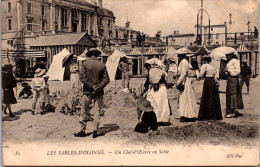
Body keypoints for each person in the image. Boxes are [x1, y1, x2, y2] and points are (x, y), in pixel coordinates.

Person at [75, 48, 110, 138]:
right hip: (99, 92)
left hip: (87, 91)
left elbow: (82, 77)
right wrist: (98, 86)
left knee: (83, 111)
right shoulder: (102, 65)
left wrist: (91, 86)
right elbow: (106, 79)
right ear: (97, 55)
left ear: (89, 55)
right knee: (97, 111)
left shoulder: (85, 64)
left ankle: (82, 131)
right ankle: (95, 131)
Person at [144, 58, 170, 124]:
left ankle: (157, 119)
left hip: (157, 88)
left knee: (155, 103)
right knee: (161, 104)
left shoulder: (153, 71)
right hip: (161, 88)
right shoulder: (162, 71)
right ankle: (162, 119)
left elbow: (150, 81)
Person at [197, 55, 222, 121]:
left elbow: (201, 74)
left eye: (203, 60)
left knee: (206, 97)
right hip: (212, 81)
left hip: (207, 81)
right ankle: (214, 116)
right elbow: (215, 76)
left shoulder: (204, 66)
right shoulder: (212, 67)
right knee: (212, 98)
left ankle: (206, 116)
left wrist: (197, 75)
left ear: (205, 60)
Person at [176, 54, 198, 122]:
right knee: (189, 98)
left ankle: (185, 115)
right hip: (187, 81)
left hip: (184, 81)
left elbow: (183, 73)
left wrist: (179, 81)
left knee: (183, 98)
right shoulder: (186, 62)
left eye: (179, 56)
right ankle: (190, 114)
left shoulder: (183, 62)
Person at [224, 53, 244, 118]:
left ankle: (232, 112)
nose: (228, 56)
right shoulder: (230, 61)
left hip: (233, 79)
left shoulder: (235, 61)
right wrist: (226, 71)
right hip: (230, 79)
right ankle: (230, 110)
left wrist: (229, 70)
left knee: (232, 94)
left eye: (229, 55)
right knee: (229, 94)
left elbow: (238, 71)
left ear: (231, 55)